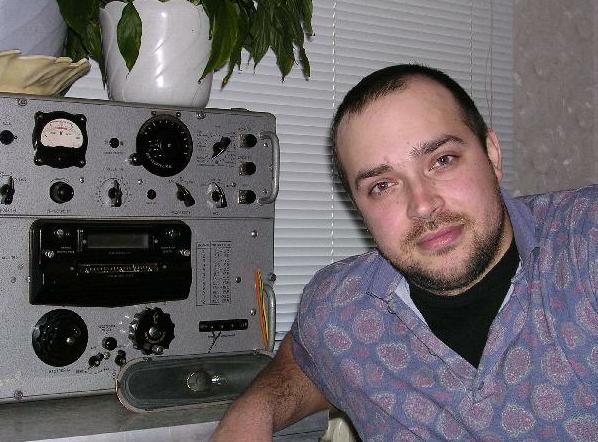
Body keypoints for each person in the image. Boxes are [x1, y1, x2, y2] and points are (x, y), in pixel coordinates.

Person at [211, 64, 597, 441]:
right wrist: (254, 411)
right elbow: (305, 361)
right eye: (382, 186)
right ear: (359, 209)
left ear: (491, 155)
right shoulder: (340, 309)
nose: (423, 205)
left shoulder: (583, 242)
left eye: (442, 160)